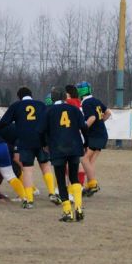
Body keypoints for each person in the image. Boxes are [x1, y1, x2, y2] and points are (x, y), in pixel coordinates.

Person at [0, 86, 60, 208]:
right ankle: (52, 193)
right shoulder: (41, 105)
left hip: (25, 141)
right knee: (46, 166)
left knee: (27, 170)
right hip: (41, 140)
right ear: (31, 95)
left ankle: (29, 200)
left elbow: (5, 122)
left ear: (19, 97)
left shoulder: (16, 106)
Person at [40, 87, 88, 222]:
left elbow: (41, 130)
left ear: (53, 98)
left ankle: (67, 211)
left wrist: (45, 144)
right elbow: (84, 127)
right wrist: (86, 143)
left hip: (57, 148)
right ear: (64, 97)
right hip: (74, 147)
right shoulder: (74, 109)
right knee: (74, 178)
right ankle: (78, 207)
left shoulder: (48, 111)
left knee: (61, 181)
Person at [76, 81, 112, 197]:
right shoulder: (95, 100)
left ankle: (93, 184)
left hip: (95, 135)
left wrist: (82, 129)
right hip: (102, 134)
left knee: (84, 159)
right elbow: (108, 113)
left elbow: (91, 118)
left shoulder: (86, 103)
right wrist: (100, 122)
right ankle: (89, 185)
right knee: (90, 162)